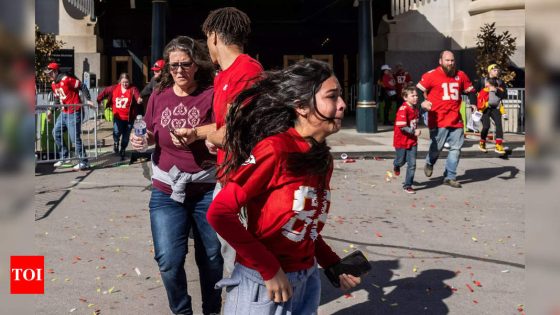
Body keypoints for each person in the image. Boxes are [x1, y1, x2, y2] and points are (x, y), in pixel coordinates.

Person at [207, 59, 361, 314]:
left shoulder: (322, 158)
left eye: (340, 96)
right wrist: (268, 268)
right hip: (262, 285)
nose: (342, 105)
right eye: (332, 97)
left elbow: (303, 223)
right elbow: (219, 213)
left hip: (306, 282)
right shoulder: (275, 149)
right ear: (301, 106)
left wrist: (332, 264)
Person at [129, 36, 223, 315]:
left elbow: (225, 128)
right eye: (173, 66)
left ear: (197, 65)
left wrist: (206, 138)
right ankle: (182, 312)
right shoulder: (159, 95)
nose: (179, 71)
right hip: (166, 189)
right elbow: (148, 130)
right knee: (168, 260)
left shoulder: (212, 93)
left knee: (212, 258)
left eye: (185, 64)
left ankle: (212, 310)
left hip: (206, 188)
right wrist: (142, 139)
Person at [202, 6, 264, 274]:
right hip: (227, 172)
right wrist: (199, 133)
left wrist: (214, 137)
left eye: (206, 39)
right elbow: (223, 127)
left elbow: (235, 132)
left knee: (243, 259)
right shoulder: (222, 75)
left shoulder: (247, 69)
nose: (207, 46)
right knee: (231, 252)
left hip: (243, 177)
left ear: (214, 36)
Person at [417, 50, 475, 188]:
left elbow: (471, 90)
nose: (450, 63)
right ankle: (430, 162)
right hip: (438, 119)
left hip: (456, 119)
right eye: (447, 60)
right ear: (440, 61)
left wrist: (473, 103)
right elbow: (419, 89)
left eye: (452, 60)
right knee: (437, 148)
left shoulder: (461, 75)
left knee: (456, 149)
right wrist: (422, 102)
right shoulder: (431, 75)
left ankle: (450, 176)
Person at [45, 62, 93, 171]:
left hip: (74, 111)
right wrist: (51, 111)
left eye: (50, 73)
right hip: (64, 112)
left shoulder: (66, 79)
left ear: (56, 71)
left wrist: (88, 99)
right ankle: (65, 156)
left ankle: (84, 162)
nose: (49, 75)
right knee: (55, 132)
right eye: (48, 73)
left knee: (74, 138)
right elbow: (58, 99)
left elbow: (82, 86)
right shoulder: (53, 84)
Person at [96, 73, 142, 160]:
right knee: (116, 132)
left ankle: (123, 149)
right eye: (123, 82)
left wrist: (139, 99)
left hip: (129, 118)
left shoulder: (133, 89)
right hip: (118, 117)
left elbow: (137, 95)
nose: (125, 84)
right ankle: (116, 142)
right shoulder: (114, 88)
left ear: (129, 82)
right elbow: (105, 91)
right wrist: (99, 99)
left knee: (126, 135)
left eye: (127, 82)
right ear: (120, 81)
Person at [393, 85, 421, 194]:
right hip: (401, 141)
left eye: (416, 95)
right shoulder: (403, 109)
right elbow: (402, 126)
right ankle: (396, 164)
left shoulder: (415, 108)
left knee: (412, 164)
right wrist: (414, 131)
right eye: (412, 96)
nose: (416, 97)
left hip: (412, 141)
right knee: (401, 161)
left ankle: (407, 185)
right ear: (405, 97)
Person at [476, 77, 507, 154]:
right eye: (491, 85)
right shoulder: (483, 91)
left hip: (495, 109)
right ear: (487, 85)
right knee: (486, 126)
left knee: (499, 125)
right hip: (485, 110)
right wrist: (481, 108)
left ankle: (498, 145)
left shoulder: (499, 90)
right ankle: (482, 142)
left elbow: (502, 99)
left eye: (494, 85)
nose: (493, 87)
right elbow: (479, 102)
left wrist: (503, 113)